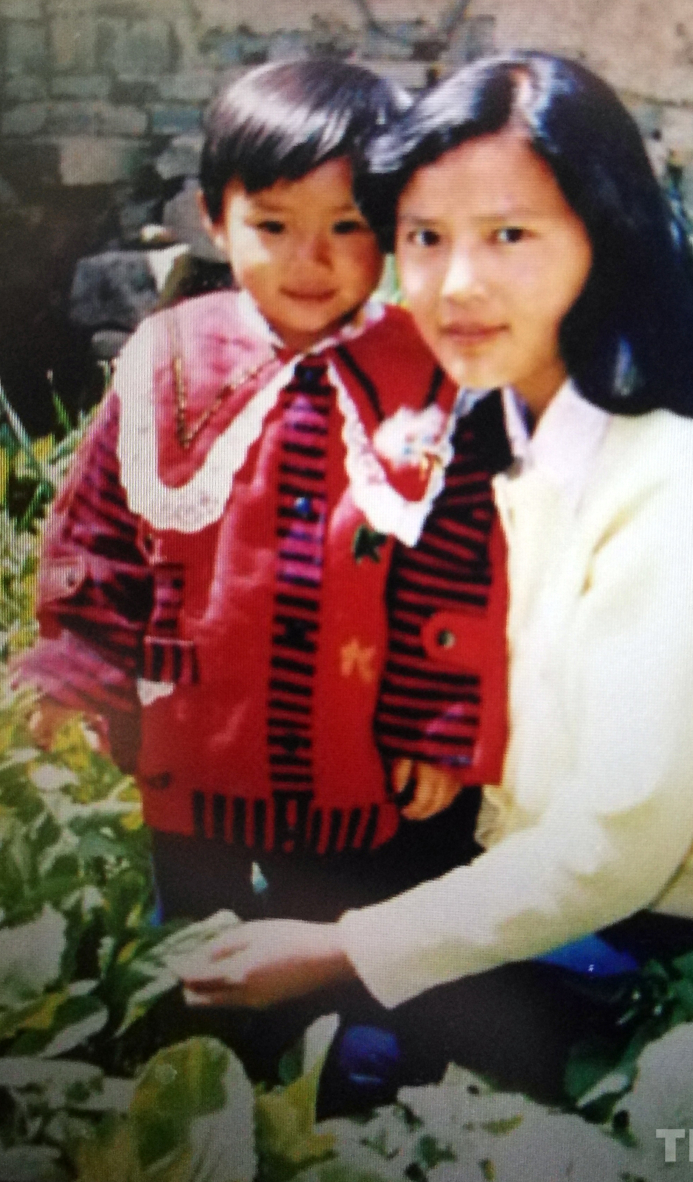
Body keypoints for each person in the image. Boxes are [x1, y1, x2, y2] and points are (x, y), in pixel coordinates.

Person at [180, 53, 693, 1062]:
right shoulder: (501, 419)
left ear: (607, 238)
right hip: (559, 882)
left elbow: (614, 845)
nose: (457, 284)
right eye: (426, 238)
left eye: (509, 236)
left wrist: (338, 951)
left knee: (334, 1055)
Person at [15, 57, 511, 1098]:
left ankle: (361, 1111)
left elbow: (459, 566)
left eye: (347, 227)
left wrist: (439, 721)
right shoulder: (166, 360)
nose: (309, 261)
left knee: (353, 989)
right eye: (273, 225)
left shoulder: (426, 377)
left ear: (393, 230)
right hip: (192, 753)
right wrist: (76, 669)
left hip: (361, 765)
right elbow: (101, 527)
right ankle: (208, 1100)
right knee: (198, 968)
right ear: (214, 217)